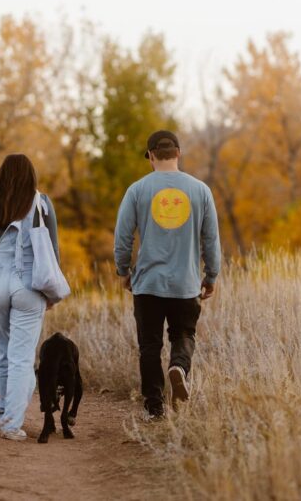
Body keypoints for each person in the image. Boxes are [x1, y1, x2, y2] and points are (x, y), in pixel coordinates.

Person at [114, 130, 222, 419]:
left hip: (148, 284)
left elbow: (123, 236)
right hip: (185, 284)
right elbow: (211, 239)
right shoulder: (200, 190)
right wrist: (211, 275)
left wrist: (123, 270)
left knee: (149, 346)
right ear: (178, 153)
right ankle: (179, 367)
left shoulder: (137, 190)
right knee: (183, 334)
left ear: (150, 156)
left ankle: (155, 408)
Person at [0, 154, 60, 441]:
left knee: (0, 351)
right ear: (30, 176)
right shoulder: (41, 202)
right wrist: (51, 290)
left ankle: (3, 411)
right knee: (21, 357)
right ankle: (11, 424)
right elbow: (52, 248)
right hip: (29, 282)